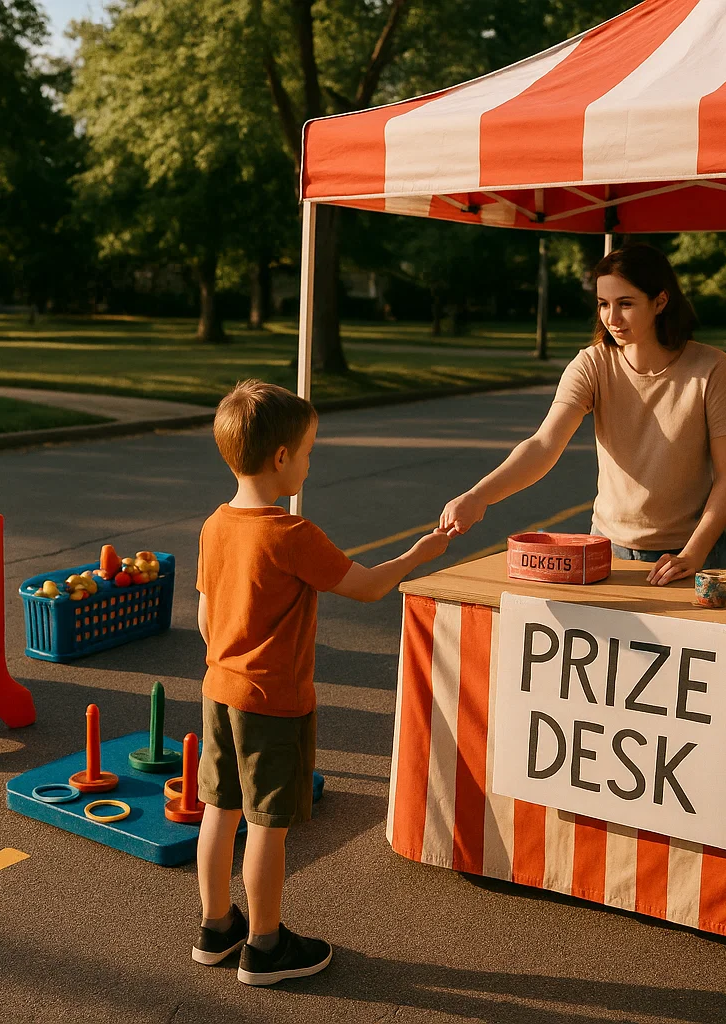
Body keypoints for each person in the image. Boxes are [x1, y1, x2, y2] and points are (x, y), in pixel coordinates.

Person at [193, 379, 450, 986]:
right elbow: (366, 586)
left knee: (219, 809)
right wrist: (419, 553)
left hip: (218, 690)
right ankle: (265, 945)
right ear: (281, 458)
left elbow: (206, 617)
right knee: (267, 824)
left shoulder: (215, 524)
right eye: (308, 451)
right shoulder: (290, 534)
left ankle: (215, 927)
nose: (310, 462)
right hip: (272, 700)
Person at [440, 243, 726, 584]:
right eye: (604, 304)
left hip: (689, 553)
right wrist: (479, 495)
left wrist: (694, 552)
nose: (612, 318)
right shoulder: (592, 364)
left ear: (660, 301)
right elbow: (544, 445)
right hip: (608, 549)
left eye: (626, 304)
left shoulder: (713, 368)